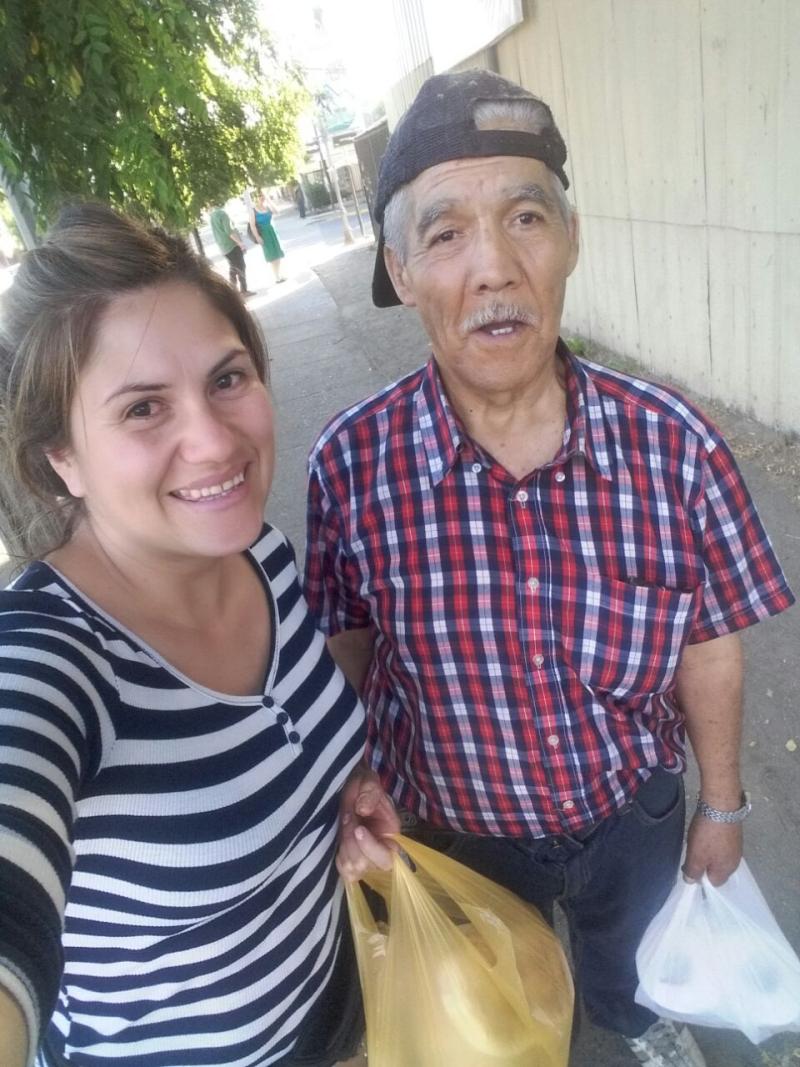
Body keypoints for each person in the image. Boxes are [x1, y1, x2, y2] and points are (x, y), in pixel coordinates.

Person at [304, 69, 795, 1067]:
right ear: (400, 269)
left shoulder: (675, 447)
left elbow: (708, 647)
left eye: (526, 218)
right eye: (446, 234)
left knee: (624, 971)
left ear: (570, 238)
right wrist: (349, 790)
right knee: (501, 1010)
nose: (494, 266)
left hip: (630, 815)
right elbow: (344, 650)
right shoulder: (349, 467)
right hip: (455, 830)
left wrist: (720, 806)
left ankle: (632, 1019)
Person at [0, 202, 397, 1067]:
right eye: (144, 408)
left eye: (226, 378)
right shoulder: (46, 662)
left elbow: (268, 752)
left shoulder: (263, 553)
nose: (215, 442)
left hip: (333, 1008)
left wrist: (337, 795)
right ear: (61, 457)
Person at [209, 203, 255, 296]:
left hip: (223, 246)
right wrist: (240, 243)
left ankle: (232, 291)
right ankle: (243, 291)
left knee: (233, 268)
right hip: (232, 245)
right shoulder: (223, 214)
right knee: (240, 267)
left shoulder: (212, 215)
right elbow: (229, 231)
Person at [250, 192, 286, 284]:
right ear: (255, 198)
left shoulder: (267, 207)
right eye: (260, 196)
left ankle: (279, 274)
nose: (262, 198)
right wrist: (257, 237)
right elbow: (252, 225)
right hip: (263, 234)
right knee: (271, 255)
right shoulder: (253, 210)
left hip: (271, 232)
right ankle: (276, 277)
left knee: (277, 253)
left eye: (263, 196)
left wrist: (269, 200)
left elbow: (277, 211)